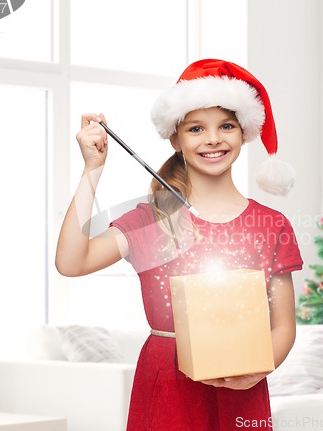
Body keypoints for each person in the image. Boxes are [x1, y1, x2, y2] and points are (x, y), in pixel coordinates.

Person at [56, 59, 303, 431]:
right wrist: (92, 170)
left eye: (226, 126)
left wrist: (259, 369)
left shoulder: (272, 224)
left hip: (243, 390)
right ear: (176, 138)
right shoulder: (152, 219)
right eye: (196, 128)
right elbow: (72, 262)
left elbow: (283, 325)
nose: (213, 139)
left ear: (244, 133)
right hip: (168, 391)